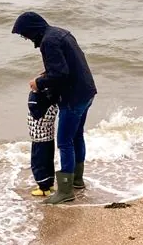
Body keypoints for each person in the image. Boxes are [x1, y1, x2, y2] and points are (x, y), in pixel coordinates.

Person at [11, 12, 97, 204]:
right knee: (77, 137)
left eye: (24, 34)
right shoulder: (60, 33)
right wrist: (46, 75)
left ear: (32, 29)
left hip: (73, 97)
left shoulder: (48, 42)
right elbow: (68, 66)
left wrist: (38, 82)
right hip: (87, 91)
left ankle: (65, 191)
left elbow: (60, 74)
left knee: (65, 142)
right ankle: (77, 180)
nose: (25, 38)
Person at [26, 81, 58, 196]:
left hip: (39, 139)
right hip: (49, 138)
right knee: (48, 161)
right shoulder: (52, 102)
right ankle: (49, 184)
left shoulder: (38, 105)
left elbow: (33, 106)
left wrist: (34, 92)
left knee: (38, 163)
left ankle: (43, 188)